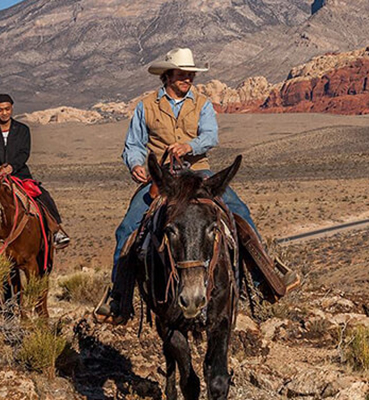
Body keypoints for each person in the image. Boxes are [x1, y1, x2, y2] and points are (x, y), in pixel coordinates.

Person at [94, 48, 298, 324]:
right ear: (167, 75)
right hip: (163, 176)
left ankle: (266, 277)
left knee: (239, 211)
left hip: (199, 171)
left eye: (190, 74)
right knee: (128, 228)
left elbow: (210, 136)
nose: (187, 78)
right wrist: (135, 165)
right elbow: (133, 144)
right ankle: (119, 296)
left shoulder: (202, 103)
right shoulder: (146, 106)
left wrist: (190, 145)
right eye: (181, 74)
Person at [0, 94, 70, 248]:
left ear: (12, 108)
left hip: (19, 174)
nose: (4, 113)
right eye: (0, 110)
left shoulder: (22, 130)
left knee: (42, 195)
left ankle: (56, 230)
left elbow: (24, 153)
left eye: (7, 109)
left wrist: (11, 167)